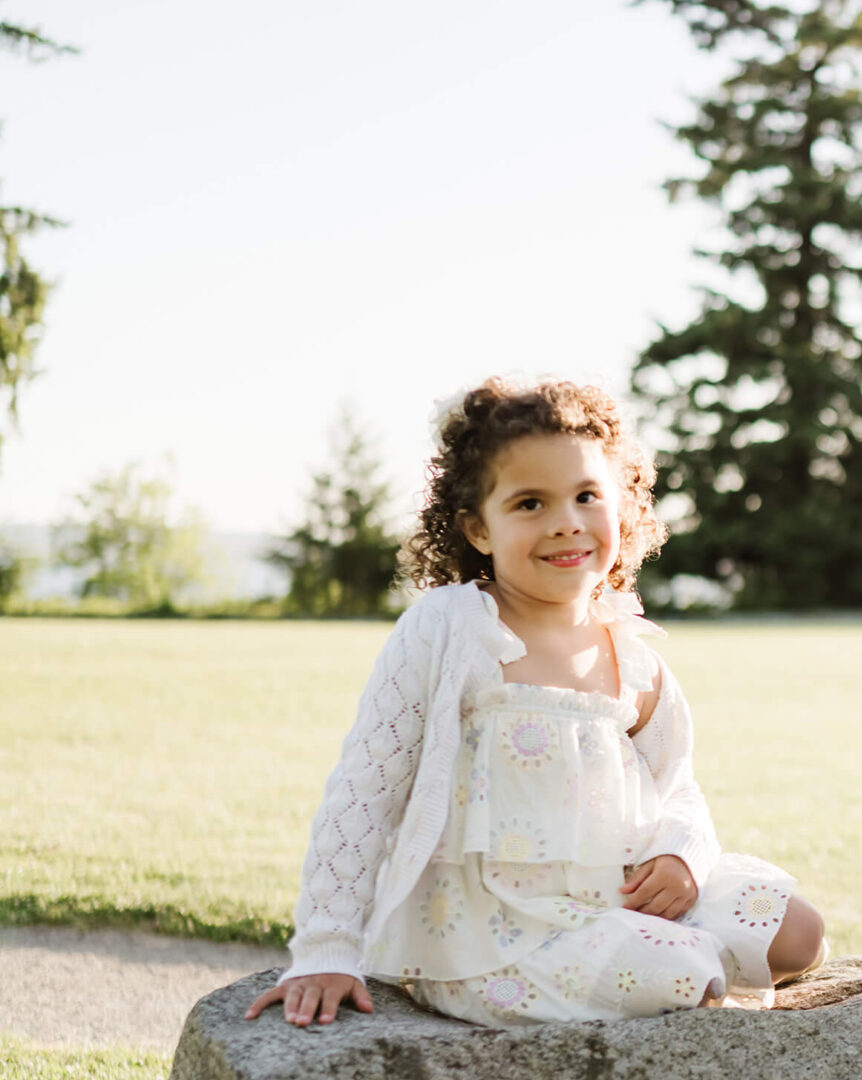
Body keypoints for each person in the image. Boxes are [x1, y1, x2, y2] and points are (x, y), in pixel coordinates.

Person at [248, 375, 825, 1030]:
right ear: (478, 528)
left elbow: (678, 786)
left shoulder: (630, 650)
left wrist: (683, 857)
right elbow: (364, 790)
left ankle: (669, 947)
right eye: (529, 503)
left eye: (587, 495)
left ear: (623, 508)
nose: (565, 522)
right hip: (498, 934)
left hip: (621, 895)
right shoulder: (451, 628)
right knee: (685, 972)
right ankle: (670, 963)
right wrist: (328, 947)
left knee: (798, 932)